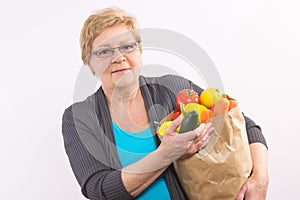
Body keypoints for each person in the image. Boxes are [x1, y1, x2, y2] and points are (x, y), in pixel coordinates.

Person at [62, 7, 269, 200]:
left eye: (127, 46)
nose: (119, 57)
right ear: (89, 63)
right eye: (104, 51)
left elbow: (244, 124)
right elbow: (98, 189)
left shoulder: (173, 88)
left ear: (139, 53)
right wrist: (168, 152)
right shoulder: (79, 116)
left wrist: (260, 178)